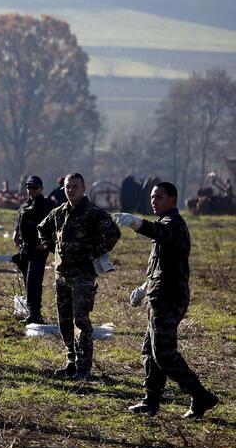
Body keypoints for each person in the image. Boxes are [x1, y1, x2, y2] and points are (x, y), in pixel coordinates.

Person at [114, 183, 219, 419]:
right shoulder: (164, 223)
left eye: (159, 197)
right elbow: (160, 267)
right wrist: (143, 288)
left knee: (163, 353)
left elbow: (158, 233)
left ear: (173, 199)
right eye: (152, 197)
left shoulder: (173, 224)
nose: (154, 201)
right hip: (158, 295)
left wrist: (136, 222)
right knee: (150, 352)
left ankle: (200, 395)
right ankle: (150, 402)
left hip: (170, 298)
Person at [37, 173, 120, 380]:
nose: (71, 190)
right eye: (68, 186)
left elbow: (113, 234)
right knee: (64, 321)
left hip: (82, 277)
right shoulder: (59, 213)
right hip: (62, 275)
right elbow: (42, 229)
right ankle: (71, 362)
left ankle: (84, 368)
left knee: (81, 322)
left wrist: (93, 252)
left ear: (83, 188)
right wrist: (52, 248)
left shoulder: (93, 213)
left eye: (75, 186)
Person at [13, 175, 55, 324]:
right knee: (27, 281)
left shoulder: (48, 205)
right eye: (29, 188)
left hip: (38, 250)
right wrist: (15, 234)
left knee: (33, 282)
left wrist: (46, 243)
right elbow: (19, 223)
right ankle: (32, 312)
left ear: (41, 188)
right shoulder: (25, 205)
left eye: (35, 187)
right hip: (25, 249)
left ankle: (36, 315)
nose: (32, 190)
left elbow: (54, 228)